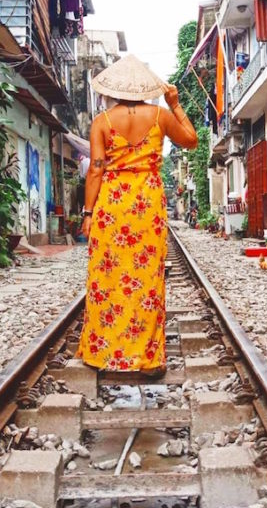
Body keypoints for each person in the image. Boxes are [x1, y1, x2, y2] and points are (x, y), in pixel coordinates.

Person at [78, 54, 198, 376]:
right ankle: (148, 359)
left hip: (112, 208)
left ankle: (104, 354)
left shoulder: (101, 122)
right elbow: (192, 140)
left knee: (107, 277)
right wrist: (175, 104)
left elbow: (96, 172)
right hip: (147, 207)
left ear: (114, 89)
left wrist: (88, 214)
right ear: (145, 87)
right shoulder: (160, 115)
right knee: (146, 281)